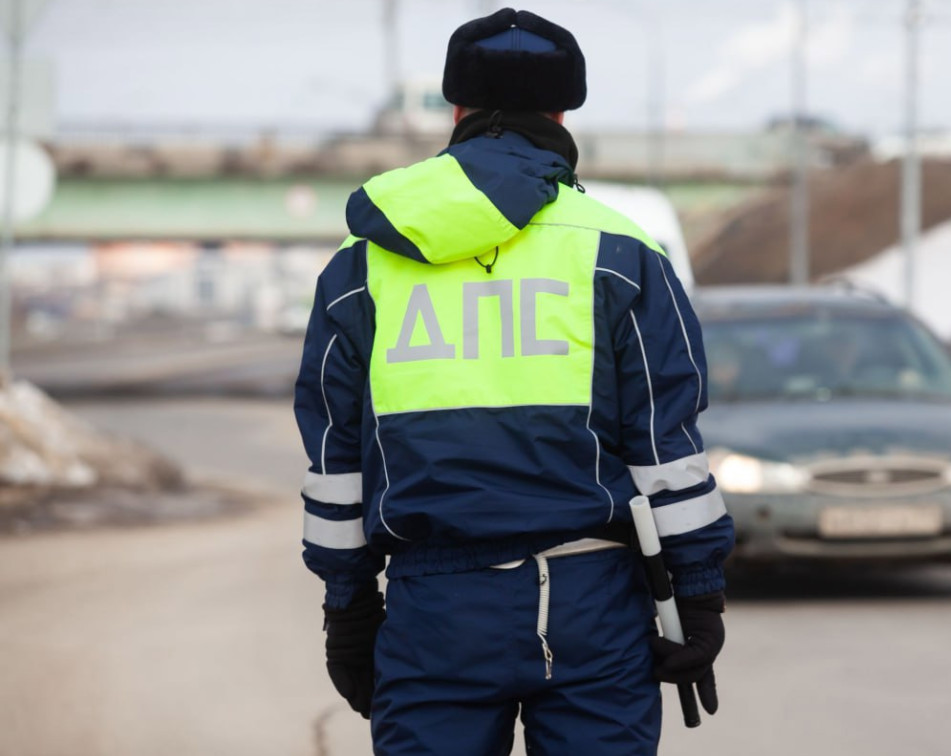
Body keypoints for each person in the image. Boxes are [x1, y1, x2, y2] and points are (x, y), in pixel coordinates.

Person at [293, 8, 733, 755]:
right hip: (595, 609)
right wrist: (697, 596)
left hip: (434, 614)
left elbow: (337, 464)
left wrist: (348, 609)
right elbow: (667, 449)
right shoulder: (622, 253)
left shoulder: (361, 262)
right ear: (563, 112)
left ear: (455, 108)